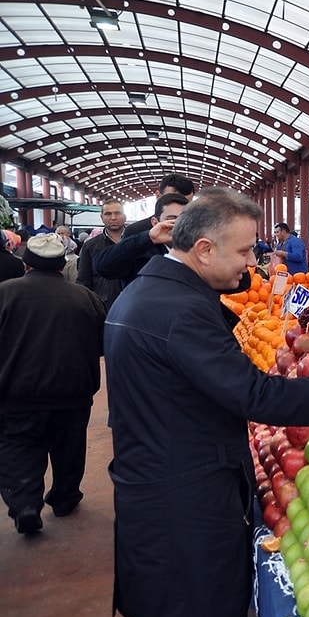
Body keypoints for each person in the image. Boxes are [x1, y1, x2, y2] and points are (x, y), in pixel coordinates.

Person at [104, 188, 309, 617]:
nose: (252, 260)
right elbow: (257, 396)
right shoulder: (180, 311)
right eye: (244, 249)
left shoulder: (147, 293)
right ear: (204, 249)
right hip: (183, 501)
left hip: (156, 481)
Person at [0, 233, 106, 534]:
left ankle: (25, 503)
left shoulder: (4, 294)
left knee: (19, 447)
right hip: (73, 392)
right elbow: (102, 344)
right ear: (63, 266)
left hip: (17, 394)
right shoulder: (86, 297)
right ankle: (64, 498)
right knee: (69, 449)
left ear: (26, 265)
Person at [93, 193, 188, 286]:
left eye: (184, 219)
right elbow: (103, 267)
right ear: (155, 222)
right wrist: (147, 238)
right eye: (172, 219)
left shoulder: (198, 249)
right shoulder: (142, 247)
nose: (179, 224)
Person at [77, 199, 127, 310]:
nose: (113, 217)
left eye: (117, 213)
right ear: (102, 218)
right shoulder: (90, 246)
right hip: (102, 308)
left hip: (133, 305)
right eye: (108, 214)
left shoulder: (136, 242)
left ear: (124, 216)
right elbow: (84, 281)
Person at [122, 173, 195, 239]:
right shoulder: (135, 231)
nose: (180, 208)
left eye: (186, 203)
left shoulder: (197, 232)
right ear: (158, 196)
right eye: (173, 201)